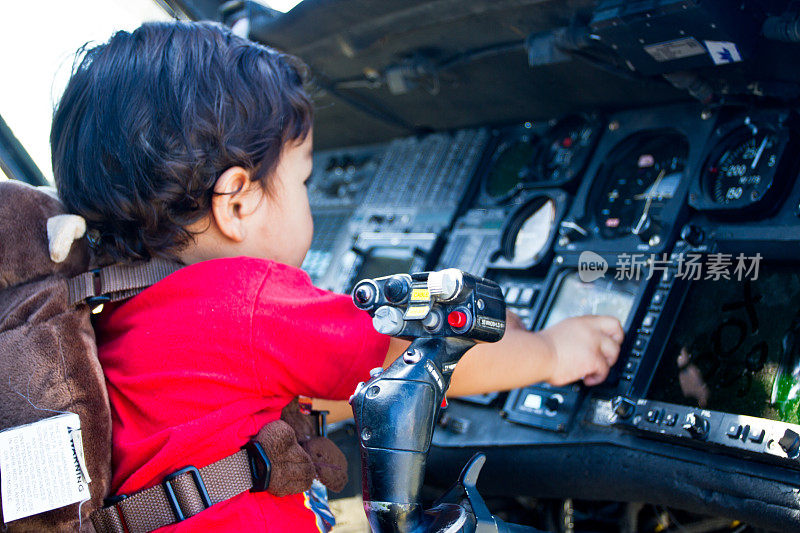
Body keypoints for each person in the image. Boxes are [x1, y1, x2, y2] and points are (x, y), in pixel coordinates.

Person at [51, 21, 623, 532]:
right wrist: (552, 350)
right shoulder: (244, 301)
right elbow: (413, 357)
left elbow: (300, 394)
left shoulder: (125, 315)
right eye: (302, 181)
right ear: (238, 204)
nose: (308, 197)